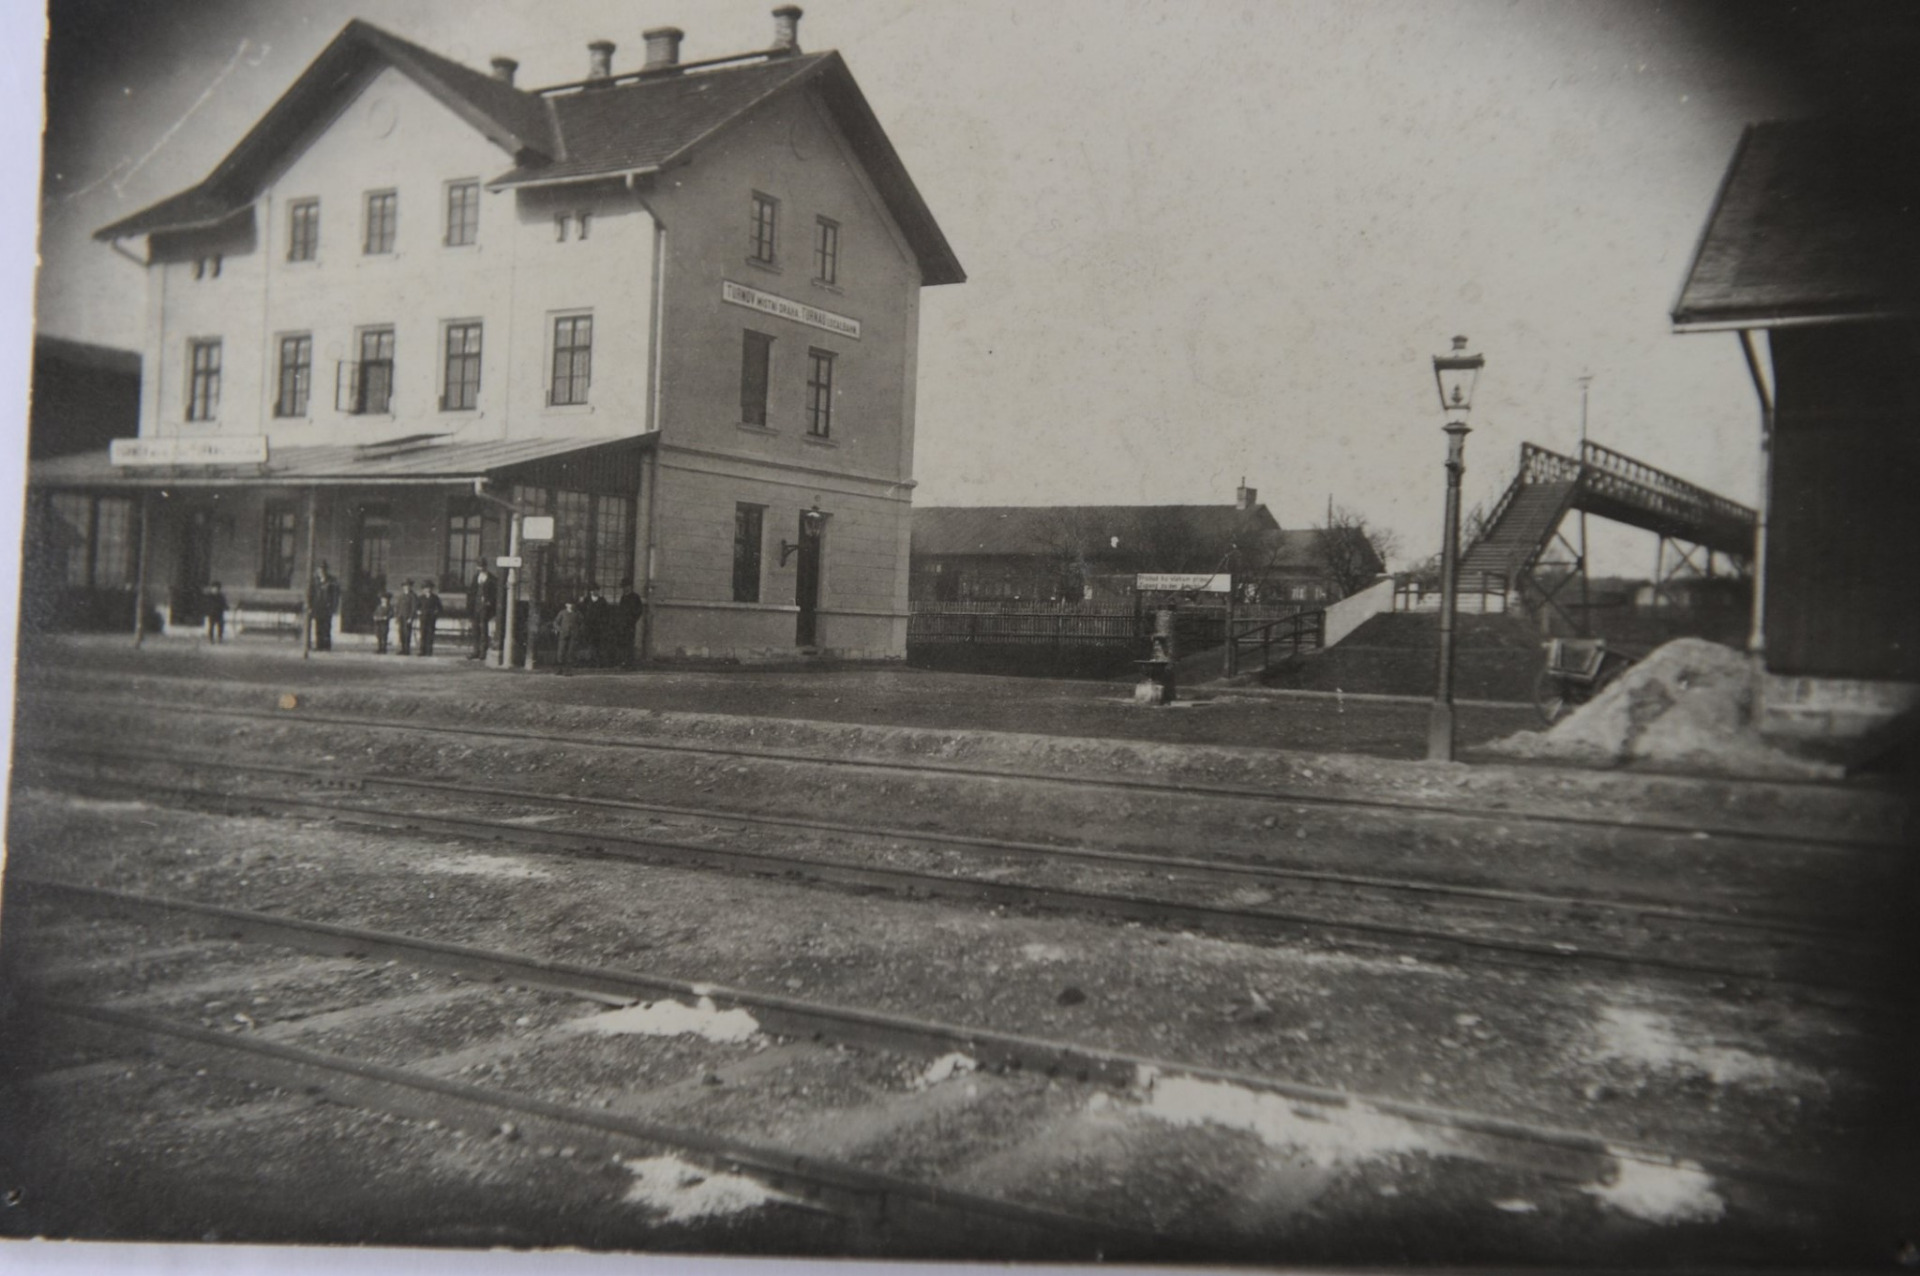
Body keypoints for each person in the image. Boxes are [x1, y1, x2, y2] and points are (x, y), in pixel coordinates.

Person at [307, 562, 340, 652]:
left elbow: (335, 595)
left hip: (327, 607)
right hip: (318, 607)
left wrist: (334, 606)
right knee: (318, 627)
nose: (321, 572)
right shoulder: (315, 581)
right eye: (320, 570)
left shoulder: (332, 581)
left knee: (327, 627)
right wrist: (310, 606)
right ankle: (319, 645)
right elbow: (311, 594)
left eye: (323, 570)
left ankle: (326, 645)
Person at [468, 567, 498, 661]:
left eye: (482, 567)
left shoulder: (491, 578)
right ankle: (475, 651)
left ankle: (483, 652)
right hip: (475, 607)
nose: (480, 569)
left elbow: (495, 593)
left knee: (484, 629)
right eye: (479, 567)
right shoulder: (476, 577)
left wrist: (490, 601)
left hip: (485, 608)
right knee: (475, 629)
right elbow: (471, 592)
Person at [615, 579, 644, 668]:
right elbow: (620, 610)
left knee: (629, 642)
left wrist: (633, 619)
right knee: (622, 643)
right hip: (622, 624)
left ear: (630, 587)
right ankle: (622, 661)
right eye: (623, 587)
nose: (624, 589)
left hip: (630, 624)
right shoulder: (623, 598)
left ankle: (629, 663)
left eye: (626, 587)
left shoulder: (635, 597)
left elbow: (639, 610)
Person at [582, 583, 611, 666]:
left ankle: (598, 661)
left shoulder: (602, 600)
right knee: (590, 643)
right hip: (589, 625)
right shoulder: (587, 600)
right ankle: (589, 660)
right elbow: (583, 611)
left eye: (596, 590)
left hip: (599, 626)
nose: (595, 592)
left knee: (599, 643)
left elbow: (606, 613)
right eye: (593, 590)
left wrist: (604, 623)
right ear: (590, 591)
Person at [551, 599, 583, 675]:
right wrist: (559, 629)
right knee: (560, 652)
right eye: (569, 604)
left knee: (570, 653)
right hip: (563, 635)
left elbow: (582, 623)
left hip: (573, 636)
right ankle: (559, 669)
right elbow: (555, 622)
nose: (571, 605)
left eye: (572, 604)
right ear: (566, 605)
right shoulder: (562, 613)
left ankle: (568, 671)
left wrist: (578, 631)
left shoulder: (577, 613)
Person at [418, 581, 442, 655]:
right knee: (423, 634)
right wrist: (418, 611)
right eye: (425, 588)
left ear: (431, 589)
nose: (427, 590)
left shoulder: (435, 598)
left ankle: (429, 651)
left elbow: (440, 608)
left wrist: (436, 613)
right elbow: (417, 607)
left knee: (430, 634)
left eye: (429, 588)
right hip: (423, 618)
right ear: (423, 590)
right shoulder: (421, 598)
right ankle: (422, 650)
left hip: (431, 619)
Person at [394, 580, 417, 656]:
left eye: (407, 586)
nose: (406, 587)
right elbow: (398, 607)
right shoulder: (401, 596)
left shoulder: (412, 596)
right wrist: (397, 617)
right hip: (401, 617)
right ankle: (403, 649)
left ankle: (407, 650)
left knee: (407, 633)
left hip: (407, 618)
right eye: (404, 586)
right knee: (401, 633)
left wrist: (411, 617)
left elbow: (414, 608)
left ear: (410, 587)